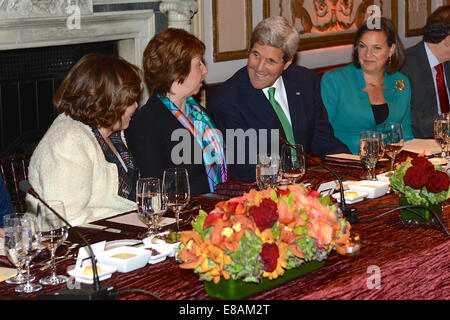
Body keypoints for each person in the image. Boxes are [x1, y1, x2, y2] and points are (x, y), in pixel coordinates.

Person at [207, 16, 349, 182]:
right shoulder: (227, 99)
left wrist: (354, 167)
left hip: (305, 185)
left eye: (271, 61)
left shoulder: (305, 81)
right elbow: (247, 168)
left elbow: (323, 140)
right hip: (259, 193)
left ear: (287, 63)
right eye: (256, 55)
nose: (259, 67)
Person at [26, 54, 142, 227]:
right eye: (130, 100)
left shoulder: (112, 133)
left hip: (121, 234)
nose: (136, 106)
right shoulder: (68, 139)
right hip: (80, 245)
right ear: (109, 101)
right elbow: (67, 219)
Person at [125, 28, 227, 196]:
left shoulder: (199, 113)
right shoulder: (145, 123)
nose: (205, 70)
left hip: (212, 206)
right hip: (181, 215)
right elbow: (157, 189)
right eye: (198, 64)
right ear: (176, 71)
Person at [321, 17, 414, 154]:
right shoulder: (334, 80)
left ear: (391, 50)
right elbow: (322, 135)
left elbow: (406, 133)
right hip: (348, 162)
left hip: (390, 163)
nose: (368, 54)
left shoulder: (400, 82)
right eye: (362, 46)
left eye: (376, 48)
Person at [401, 6, 450, 138]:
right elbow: (404, 114)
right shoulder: (404, 66)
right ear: (448, 40)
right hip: (423, 143)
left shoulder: (446, 61)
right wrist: (445, 124)